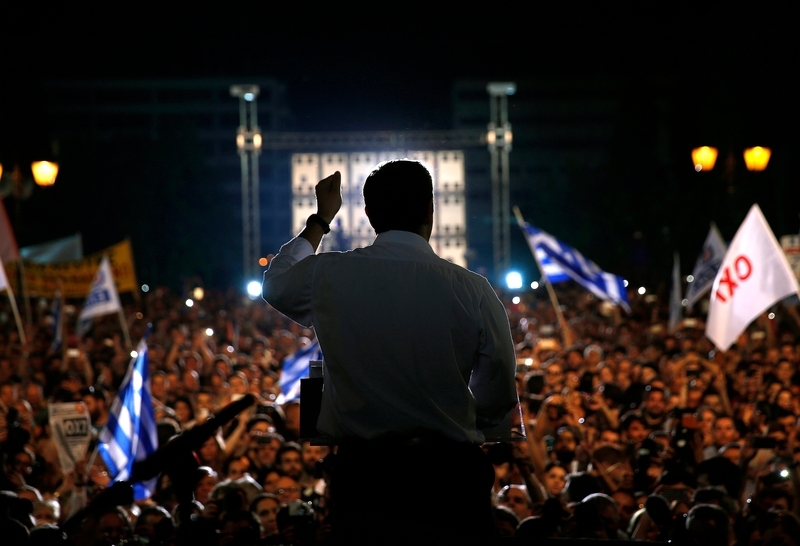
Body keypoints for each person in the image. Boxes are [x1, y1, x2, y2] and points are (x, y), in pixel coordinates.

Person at [262, 159, 517, 543]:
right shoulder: (473, 289)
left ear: (368, 214)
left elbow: (276, 282)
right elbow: (498, 385)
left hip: (366, 479)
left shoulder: (329, 274)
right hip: (450, 480)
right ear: (431, 210)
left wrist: (320, 219)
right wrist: (459, 417)